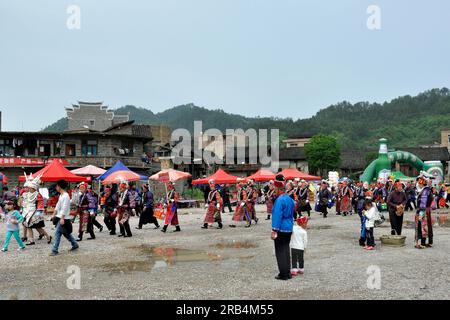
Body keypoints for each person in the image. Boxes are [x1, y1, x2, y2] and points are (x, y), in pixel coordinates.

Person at [271, 174, 295, 281]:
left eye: (275, 188)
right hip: (289, 227)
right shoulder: (289, 198)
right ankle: (288, 272)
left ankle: (283, 273)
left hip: (280, 228)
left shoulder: (279, 200)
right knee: (285, 249)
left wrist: (274, 229)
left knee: (280, 251)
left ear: (278, 188)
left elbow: (277, 215)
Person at [20, 173, 51, 246]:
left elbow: (40, 204)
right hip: (27, 211)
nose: (28, 188)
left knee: (36, 226)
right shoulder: (26, 194)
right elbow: (23, 202)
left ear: (33, 188)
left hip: (34, 212)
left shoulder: (37, 194)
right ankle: (32, 240)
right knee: (30, 226)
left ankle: (47, 236)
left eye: (30, 188)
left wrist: (39, 213)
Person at [50, 180, 79, 256]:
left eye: (56, 186)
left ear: (59, 187)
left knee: (57, 233)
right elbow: (58, 205)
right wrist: (54, 214)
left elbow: (65, 208)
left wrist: (62, 218)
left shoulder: (66, 196)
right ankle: (74, 244)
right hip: (60, 217)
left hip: (64, 217)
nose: (56, 187)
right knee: (65, 233)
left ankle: (54, 249)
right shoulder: (61, 195)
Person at [415, 173, 434, 249]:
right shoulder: (426, 190)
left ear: (422, 183)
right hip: (427, 211)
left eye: (419, 182)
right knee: (428, 226)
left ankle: (422, 243)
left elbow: (423, 202)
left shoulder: (425, 191)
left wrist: (421, 213)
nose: (418, 184)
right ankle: (430, 242)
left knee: (423, 227)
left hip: (423, 211)